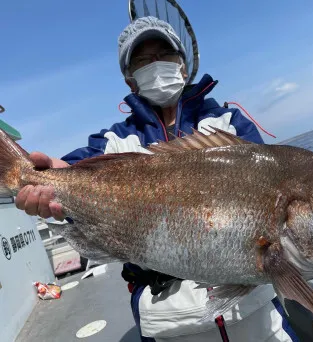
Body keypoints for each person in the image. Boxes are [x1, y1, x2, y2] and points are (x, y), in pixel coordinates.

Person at [15, 16, 298, 342]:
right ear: (129, 78)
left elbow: (271, 193)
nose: (156, 63)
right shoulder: (114, 142)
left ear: (182, 63)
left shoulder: (227, 124)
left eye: (165, 53)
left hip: (257, 317)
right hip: (167, 322)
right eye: (143, 59)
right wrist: (48, 175)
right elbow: (73, 172)